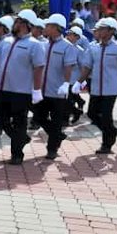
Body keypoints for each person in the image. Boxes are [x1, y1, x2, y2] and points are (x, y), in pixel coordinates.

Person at [0, 14, 46, 165]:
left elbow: (39, 68)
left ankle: (17, 154)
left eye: (17, 21)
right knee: (0, 119)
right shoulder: (6, 41)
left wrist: (37, 90)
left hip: (21, 91)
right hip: (3, 89)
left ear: (25, 24)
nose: (14, 24)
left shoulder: (35, 44)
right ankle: (21, 138)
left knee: (19, 122)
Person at [75, 17, 117, 155]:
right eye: (98, 29)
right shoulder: (93, 47)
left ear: (111, 31)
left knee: (106, 116)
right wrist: (79, 81)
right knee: (92, 114)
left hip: (111, 89)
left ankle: (107, 144)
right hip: (95, 87)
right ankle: (112, 131)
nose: (99, 31)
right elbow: (87, 66)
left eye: (102, 29)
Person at [34, 14, 79, 160]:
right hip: (42, 90)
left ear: (56, 28)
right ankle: (57, 135)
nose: (45, 28)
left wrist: (66, 83)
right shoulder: (43, 45)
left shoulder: (67, 46)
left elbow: (68, 67)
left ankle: (52, 149)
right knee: (39, 117)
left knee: (56, 120)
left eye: (48, 26)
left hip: (58, 90)